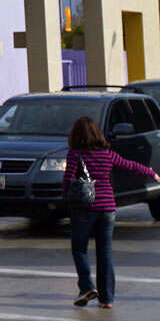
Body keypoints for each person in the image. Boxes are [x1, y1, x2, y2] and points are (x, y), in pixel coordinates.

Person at [62, 115, 160, 309]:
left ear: (76, 135)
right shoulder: (107, 154)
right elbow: (129, 165)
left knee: (79, 248)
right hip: (108, 208)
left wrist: (67, 197)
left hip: (85, 207)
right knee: (104, 252)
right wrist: (151, 173)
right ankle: (106, 299)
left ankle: (87, 287)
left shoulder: (75, 154)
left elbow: (67, 179)